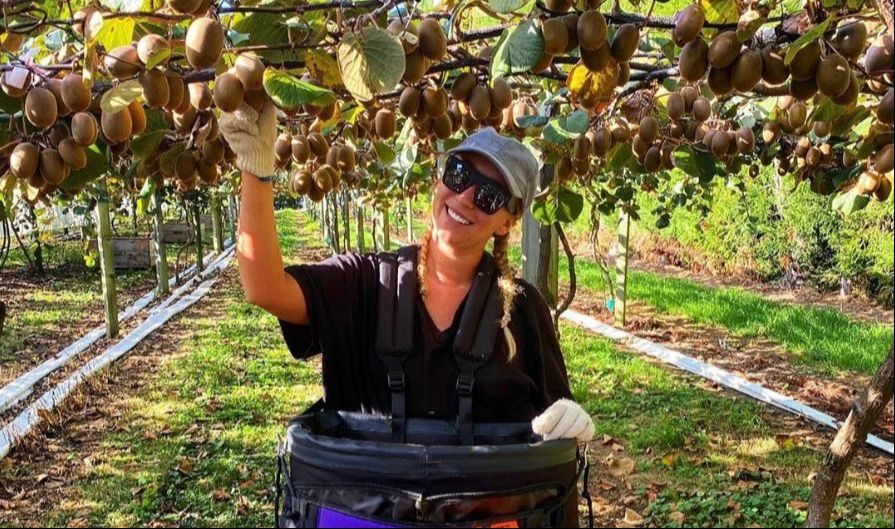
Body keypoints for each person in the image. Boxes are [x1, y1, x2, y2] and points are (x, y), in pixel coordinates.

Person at [220, 101, 595, 525]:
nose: (466, 197)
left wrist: (567, 424)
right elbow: (265, 287)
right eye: (459, 174)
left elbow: (550, 432)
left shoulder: (522, 311)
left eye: (489, 196)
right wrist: (256, 168)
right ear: (439, 179)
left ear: (507, 221)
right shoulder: (366, 282)